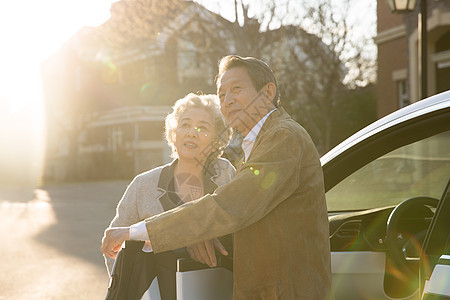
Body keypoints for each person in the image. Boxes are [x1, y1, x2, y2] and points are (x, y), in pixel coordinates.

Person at [102, 55, 332, 299]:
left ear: (267, 93)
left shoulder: (283, 137)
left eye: (236, 89)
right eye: (222, 95)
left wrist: (136, 232)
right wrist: (198, 235)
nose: (228, 100)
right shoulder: (258, 144)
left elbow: (230, 206)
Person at [103, 93, 235, 299]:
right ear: (174, 134)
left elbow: (237, 227)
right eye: (185, 125)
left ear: (217, 140)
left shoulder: (226, 174)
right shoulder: (143, 185)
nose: (192, 132)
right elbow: (117, 253)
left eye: (203, 127)